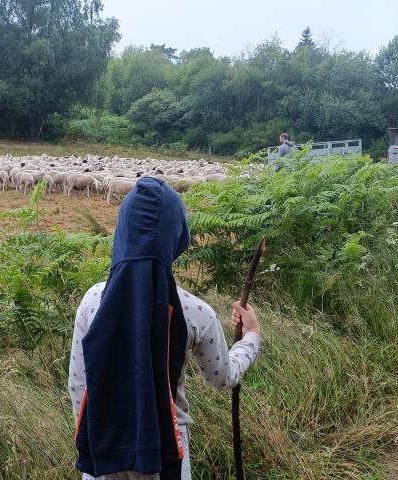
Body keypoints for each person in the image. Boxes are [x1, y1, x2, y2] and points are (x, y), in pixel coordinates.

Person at [68, 177, 262, 480]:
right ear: (177, 236)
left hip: (102, 455)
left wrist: (102, 439)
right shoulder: (196, 312)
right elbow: (224, 378)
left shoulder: (94, 300)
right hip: (168, 455)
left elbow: (79, 386)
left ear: (123, 233)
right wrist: (251, 338)